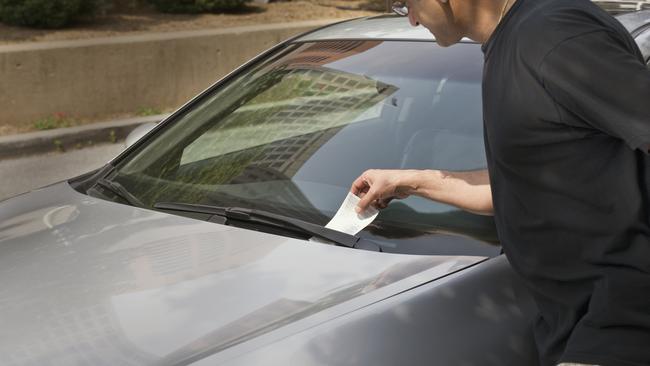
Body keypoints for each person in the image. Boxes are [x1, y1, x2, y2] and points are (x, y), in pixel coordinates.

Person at [350, 0, 650, 365]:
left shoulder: (553, 34)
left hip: (622, 322)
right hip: (574, 324)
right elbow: (518, 184)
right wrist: (411, 182)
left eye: (406, 3)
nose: (411, 19)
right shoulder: (514, 41)